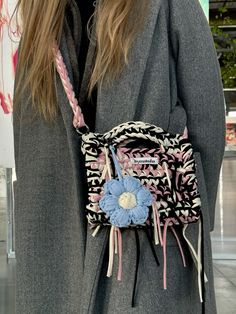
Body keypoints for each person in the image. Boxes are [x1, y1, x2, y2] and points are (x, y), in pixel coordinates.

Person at [13, 0, 225, 313]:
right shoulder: (39, 9)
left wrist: (185, 217)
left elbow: (206, 121)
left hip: (148, 245)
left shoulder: (167, 5)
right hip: (56, 232)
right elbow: (27, 133)